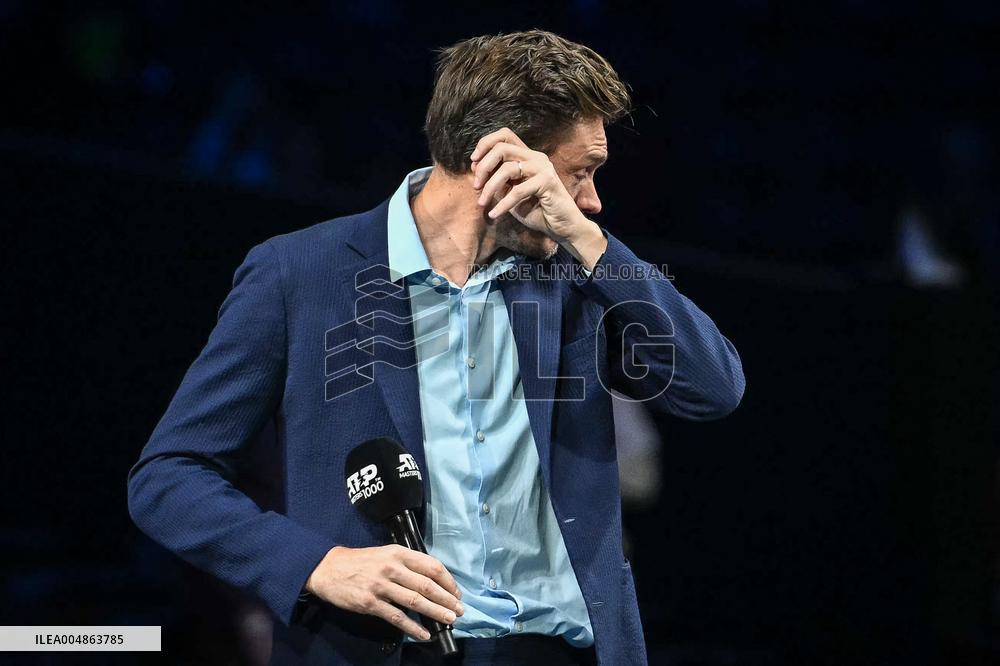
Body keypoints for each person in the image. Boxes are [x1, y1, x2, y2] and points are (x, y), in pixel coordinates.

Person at [128, 29, 746, 665]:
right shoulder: (300, 273)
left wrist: (589, 243)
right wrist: (317, 564)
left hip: (561, 652)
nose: (590, 200)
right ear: (499, 159)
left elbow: (714, 388)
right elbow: (168, 478)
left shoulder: (577, 278)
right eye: (581, 173)